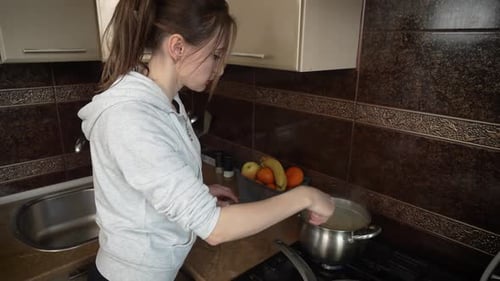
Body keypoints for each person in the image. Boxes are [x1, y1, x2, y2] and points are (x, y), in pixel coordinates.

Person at [78, 0, 335, 280]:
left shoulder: (165, 101)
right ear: (177, 47)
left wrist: (198, 192)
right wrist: (306, 196)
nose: (221, 69)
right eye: (216, 54)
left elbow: (152, 180)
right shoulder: (131, 117)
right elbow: (216, 229)